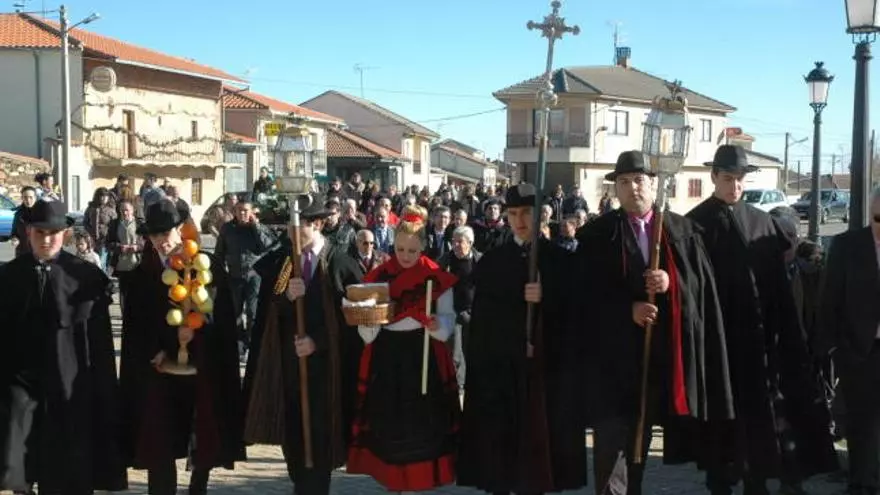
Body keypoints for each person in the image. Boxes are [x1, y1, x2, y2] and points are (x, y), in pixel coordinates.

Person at [577, 151, 734, 495]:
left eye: (639, 180)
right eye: (623, 182)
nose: (632, 188)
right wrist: (627, 309)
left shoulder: (682, 231)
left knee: (639, 442)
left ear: (653, 184)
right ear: (615, 189)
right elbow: (584, 296)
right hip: (611, 362)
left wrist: (670, 282)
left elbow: (701, 290)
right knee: (611, 443)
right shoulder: (597, 236)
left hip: (659, 360)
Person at [687, 145, 837, 495]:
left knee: (760, 416)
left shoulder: (762, 222)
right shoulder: (695, 225)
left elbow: (779, 289)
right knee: (722, 417)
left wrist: (788, 337)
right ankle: (720, 479)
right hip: (718, 341)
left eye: (740, 179)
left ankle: (757, 480)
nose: (735, 186)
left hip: (760, 341)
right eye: (728, 179)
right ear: (714, 177)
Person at [458, 183, 587, 495]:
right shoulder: (493, 261)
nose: (519, 221)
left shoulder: (560, 260)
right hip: (502, 370)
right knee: (502, 452)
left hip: (544, 372)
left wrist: (547, 296)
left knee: (539, 454)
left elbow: (575, 316)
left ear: (541, 215)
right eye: (513, 213)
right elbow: (483, 321)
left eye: (526, 213)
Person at [0, 200, 128, 494]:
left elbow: (99, 345)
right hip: (21, 384)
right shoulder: (8, 277)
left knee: (66, 465)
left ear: (66, 234)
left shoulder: (85, 278)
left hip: (69, 383)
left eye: (53, 233)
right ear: (28, 232)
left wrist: (100, 387)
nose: (46, 240)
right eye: (40, 233)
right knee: (20, 458)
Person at [120, 200, 244, 495]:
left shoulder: (206, 267)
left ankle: (198, 487)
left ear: (179, 229)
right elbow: (135, 327)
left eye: (166, 233)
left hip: (202, 366)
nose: (161, 241)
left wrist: (199, 330)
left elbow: (225, 319)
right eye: (154, 235)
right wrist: (157, 349)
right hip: (161, 371)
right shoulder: (141, 275)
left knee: (203, 434)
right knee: (159, 441)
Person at [242, 196, 361, 495]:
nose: (291, 232)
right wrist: (286, 298)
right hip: (290, 372)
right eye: (289, 226)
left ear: (317, 224)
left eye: (299, 226)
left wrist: (317, 342)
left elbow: (354, 321)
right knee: (294, 445)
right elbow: (269, 313)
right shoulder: (285, 263)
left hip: (326, 374)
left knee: (319, 447)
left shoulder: (340, 264)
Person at [346, 205, 461, 492]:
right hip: (388, 359)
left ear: (423, 247)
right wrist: (369, 320)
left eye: (412, 250)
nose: (405, 256)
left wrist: (437, 325)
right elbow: (367, 331)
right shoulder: (379, 276)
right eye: (400, 249)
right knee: (390, 427)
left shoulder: (436, 276)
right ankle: (393, 484)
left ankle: (418, 484)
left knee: (422, 428)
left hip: (424, 358)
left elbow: (448, 320)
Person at [819, 187, 880, 495]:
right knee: (861, 420)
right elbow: (829, 299)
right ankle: (861, 482)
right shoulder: (847, 246)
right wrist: (834, 348)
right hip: (859, 349)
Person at [9, 186, 38, 258]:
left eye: (30, 197)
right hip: (22, 252)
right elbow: (14, 233)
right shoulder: (18, 214)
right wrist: (15, 239)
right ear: (22, 198)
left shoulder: (43, 213)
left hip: (38, 253)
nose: (28, 200)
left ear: (35, 198)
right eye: (25, 197)